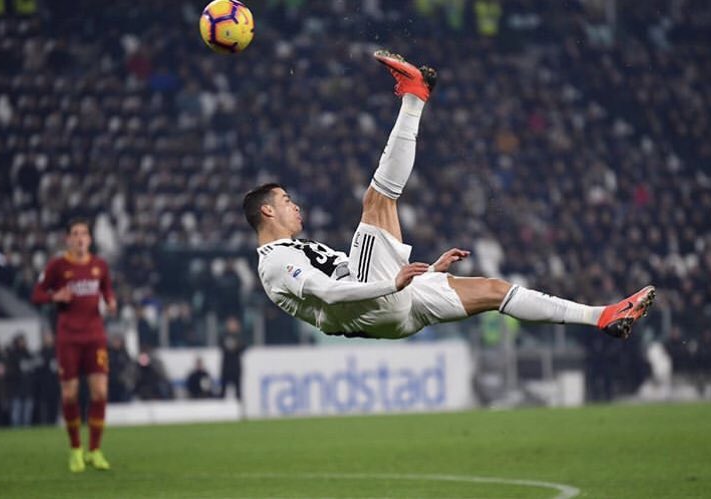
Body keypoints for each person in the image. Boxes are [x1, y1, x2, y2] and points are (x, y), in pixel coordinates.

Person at [243, 50, 655, 342]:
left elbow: (347, 276)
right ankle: (414, 96)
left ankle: (602, 316)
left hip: (392, 312)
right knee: (377, 201)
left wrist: (426, 273)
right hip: (371, 306)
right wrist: (391, 284)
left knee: (494, 290)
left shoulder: (296, 248)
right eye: (285, 200)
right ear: (267, 210)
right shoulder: (276, 262)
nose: (294, 205)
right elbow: (330, 294)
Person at [31, 218, 116, 472]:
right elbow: (36, 294)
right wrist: (54, 296)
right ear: (68, 239)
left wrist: (111, 302)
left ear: (90, 239)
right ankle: (75, 450)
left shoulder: (99, 265)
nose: (80, 238)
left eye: (84, 234)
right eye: (75, 234)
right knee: (69, 394)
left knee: (99, 392)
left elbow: (107, 290)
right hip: (68, 338)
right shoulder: (58, 266)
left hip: (95, 336)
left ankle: (95, 450)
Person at [219, 316, 246, 401]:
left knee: (238, 392)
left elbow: (243, 347)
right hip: (226, 367)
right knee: (223, 391)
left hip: (236, 367)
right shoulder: (223, 336)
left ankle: (240, 411)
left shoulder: (240, 336)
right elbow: (222, 347)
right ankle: (221, 410)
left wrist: (235, 346)